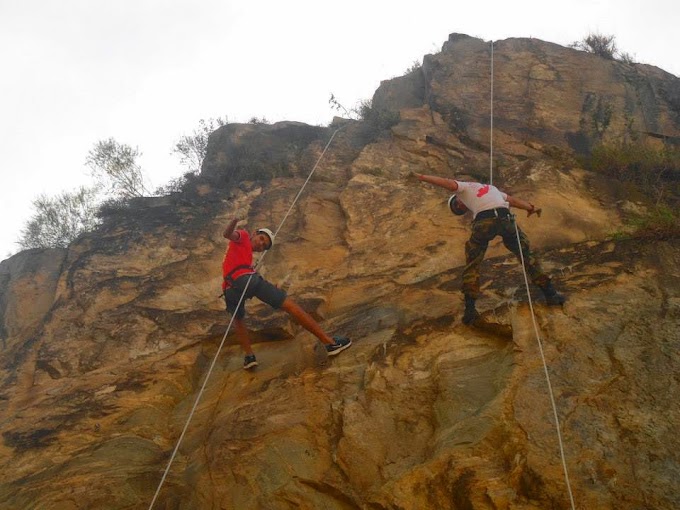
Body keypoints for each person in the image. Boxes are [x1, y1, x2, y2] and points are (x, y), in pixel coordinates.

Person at [414, 173, 565, 325]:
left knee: (476, 263)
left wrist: (423, 177)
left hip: (486, 222)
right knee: (524, 254)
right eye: (459, 210)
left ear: (456, 197)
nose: (459, 207)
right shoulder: (491, 189)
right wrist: (530, 208)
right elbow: (511, 200)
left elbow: (447, 183)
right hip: (504, 220)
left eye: (456, 205)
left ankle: (471, 310)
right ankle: (550, 294)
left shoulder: (464, 188)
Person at [221, 218, 351, 369]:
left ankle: (249, 357)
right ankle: (330, 343)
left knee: (238, 319)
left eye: (264, 246)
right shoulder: (243, 236)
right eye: (261, 239)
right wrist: (234, 221)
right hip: (247, 280)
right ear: (254, 233)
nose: (261, 244)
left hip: (230, 289)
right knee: (290, 306)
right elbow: (227, 234)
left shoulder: (242, 253)